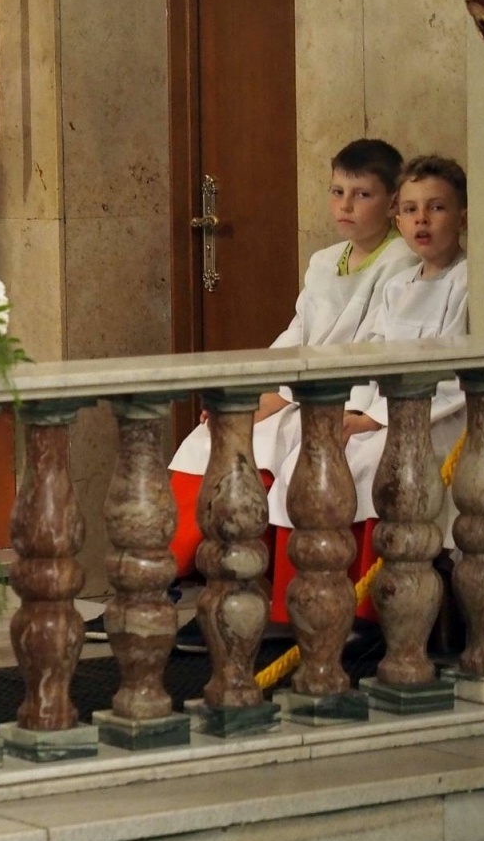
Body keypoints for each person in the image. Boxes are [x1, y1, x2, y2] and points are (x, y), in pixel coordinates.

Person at [149, 138, 419, 649]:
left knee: (290, 451)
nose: (345, 205)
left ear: (390, 202)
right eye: (337, 191)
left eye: (361, 195)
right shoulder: (324, 262)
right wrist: (260, 389)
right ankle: (163, 578)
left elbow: (376, 349)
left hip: (348, 398)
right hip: (301, 390)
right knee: (208, 440)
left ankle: (277, 604)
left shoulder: (401, 263)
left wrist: (286, 396)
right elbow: (296, 335)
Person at [266, 155, 468, 627]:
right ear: (398, 217)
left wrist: (377, 418)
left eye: (436, 208)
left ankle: (367, 609)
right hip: (382, 410)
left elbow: (459, 372)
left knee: (372, 461)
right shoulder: (398, 283)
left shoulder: (469, 282)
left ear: (462, 215)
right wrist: (356, 411)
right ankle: (292, 608)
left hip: (443, 421)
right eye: (412, 209)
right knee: (315, 453)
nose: (422, 220)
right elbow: (372, 355)